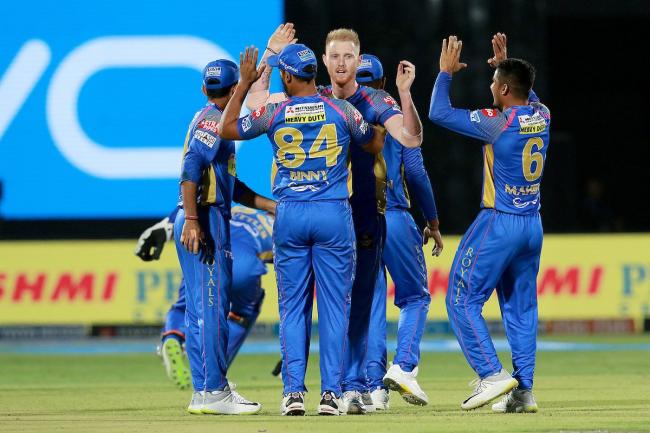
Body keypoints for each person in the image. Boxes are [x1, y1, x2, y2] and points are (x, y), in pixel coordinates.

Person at [218, 44, 385, 416]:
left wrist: (243, 84)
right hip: (332, 213)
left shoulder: (274, 112)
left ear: (288, 75)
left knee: (293, 308)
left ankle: (293, 393)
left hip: (290, 214)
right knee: (335, 308)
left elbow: (226, 128)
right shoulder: (341, 109)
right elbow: (374, 142)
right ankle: (331, 395)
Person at [428, 33, 549, 412]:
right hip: (532, 224)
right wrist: (504, 65)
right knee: (521, 309)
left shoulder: (497, 123)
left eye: (495, 82)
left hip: (499, 221)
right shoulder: (543, 115)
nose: (490, 86)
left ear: (505, 89)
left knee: (461, 299)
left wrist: (445, 73)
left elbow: (438, 112)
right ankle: (523, 392)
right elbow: (529, 96)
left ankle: (491, 374)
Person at [319, 28, 426, 415]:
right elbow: (415, 162)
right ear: (326, 60)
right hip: (341, 212)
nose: (342, 63)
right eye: (335, 56)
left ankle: (358, 386)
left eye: (348, 57)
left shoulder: (368, 101)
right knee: (352, 301)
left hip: (358, 213)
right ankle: (348, 384)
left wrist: (406, 94)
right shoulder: (320, 99)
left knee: (362, 300)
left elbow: (411, 138)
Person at [175, 58, 275, 415]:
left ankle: (205, 388)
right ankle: (214, 391)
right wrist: (193, 220)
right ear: (235, 89)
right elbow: (190, 168)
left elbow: (229, 183)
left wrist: (267, 205)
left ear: (205, 89)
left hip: (198, 216)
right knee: (213, 308)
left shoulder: (208, 115)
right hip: (204, 218)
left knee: (200, 310)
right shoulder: (215, 123)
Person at [355, 54, 443, 411]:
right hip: (393, 216)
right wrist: (433, 222)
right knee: (415, 298)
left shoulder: (339, 112)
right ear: (382, 83)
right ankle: (404, 366)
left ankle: (374, 388)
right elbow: (417, 174)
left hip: (354, 219)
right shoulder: (392, 114)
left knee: (371, 302)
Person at [134, 205, 274, 392]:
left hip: (207, 253)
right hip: (243, 265)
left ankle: (172, 337)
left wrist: (167, 224)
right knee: (241, 314)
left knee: (186, 305)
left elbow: (196, 205)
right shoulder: (279, 228)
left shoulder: (237, 209)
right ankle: (214, 374)